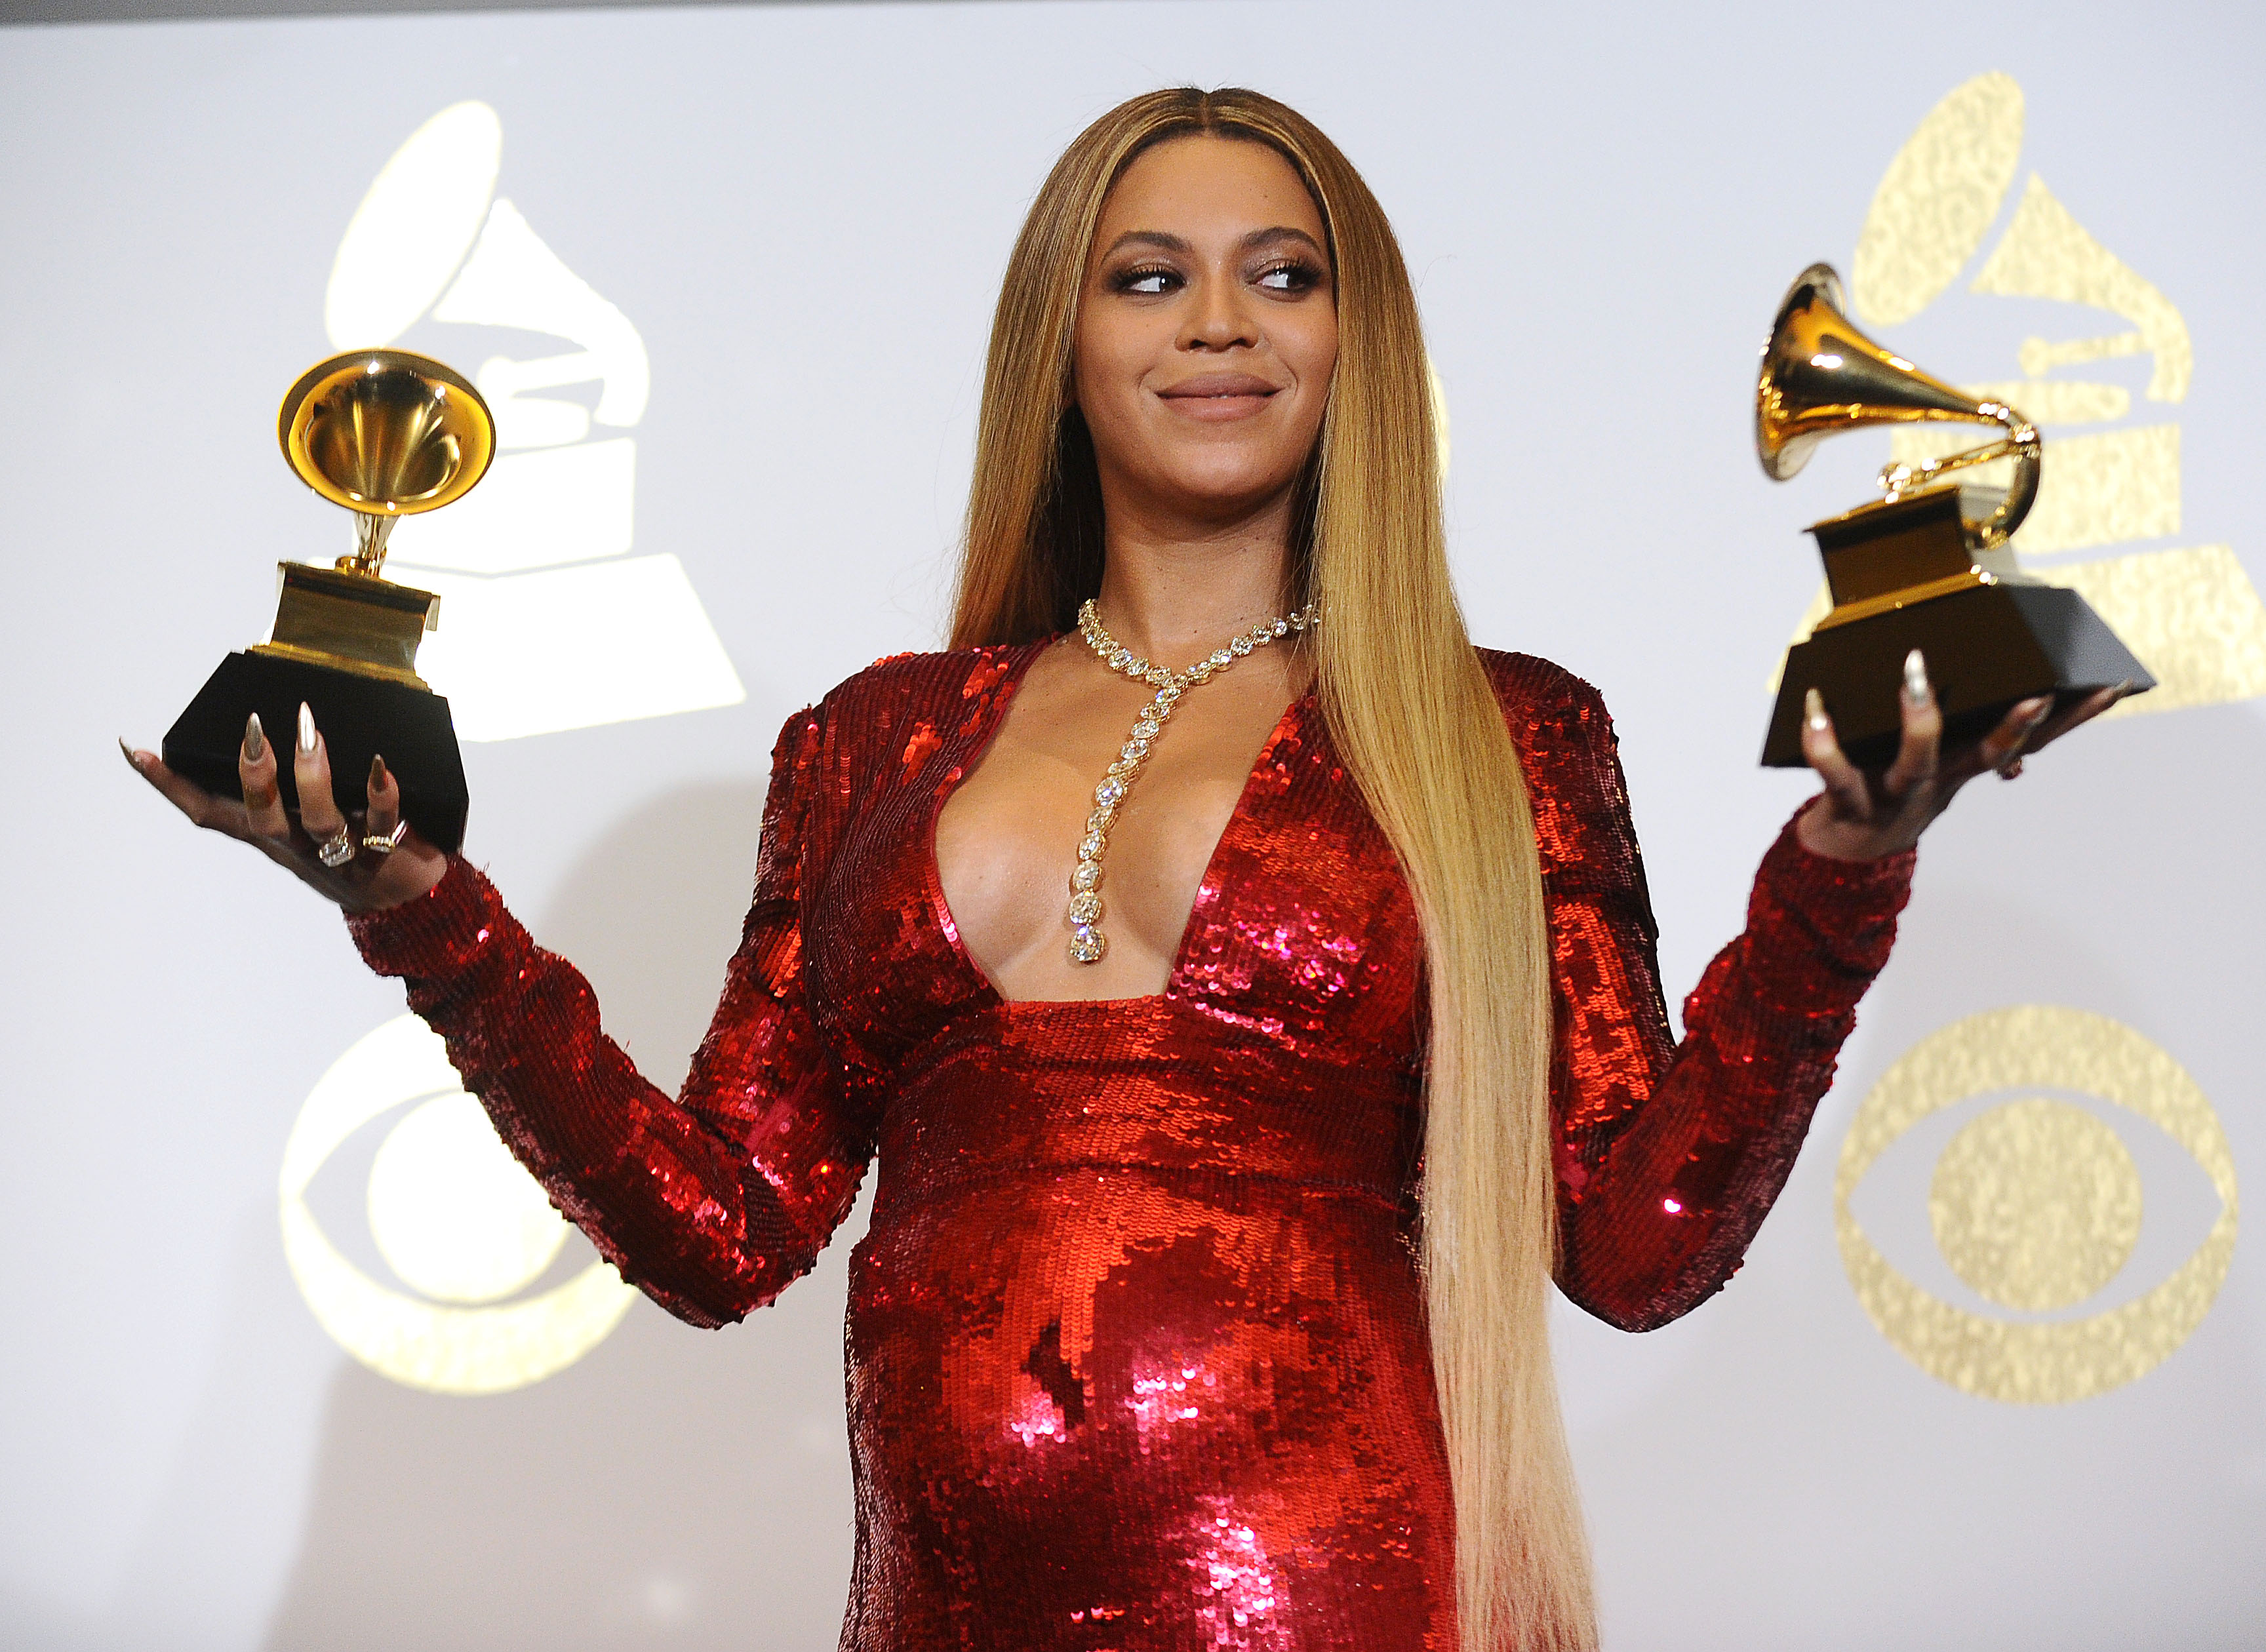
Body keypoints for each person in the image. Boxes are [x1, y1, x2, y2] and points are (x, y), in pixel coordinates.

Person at [126, 87, 2120, 1652]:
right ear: (1062, 337)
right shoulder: (873, 738)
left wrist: (1847, 866)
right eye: (1150, 277)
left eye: (1286, 274)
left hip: (1348, 1608)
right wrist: (421, 915)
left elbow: (1636, 1245)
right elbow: (721, 1231)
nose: (1224, 325)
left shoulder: (1503, 732)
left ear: (1361, 340)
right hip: (932, 1620)